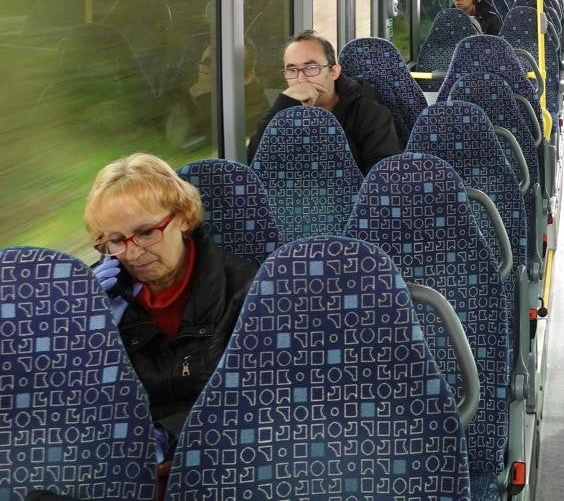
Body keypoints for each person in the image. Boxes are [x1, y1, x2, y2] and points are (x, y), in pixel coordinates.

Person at [83, 153, 260, 460]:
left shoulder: (246, 290)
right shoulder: (99, 296)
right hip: (122, 459)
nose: (133, 253)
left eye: (146, 232)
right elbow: (78, 401)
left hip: (218, 454)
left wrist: (169, 435)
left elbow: (252, 396)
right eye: (116, 240)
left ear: (183, 216)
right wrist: (86, 328)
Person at [246, 30, 401, 173]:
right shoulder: (282, 111)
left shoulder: (371, 115)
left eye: (311, 67)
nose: (301, 79)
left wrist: (319, 124)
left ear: (334, 72)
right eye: (292, 70)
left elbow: (383, 180)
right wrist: (282, 106)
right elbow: (255, 162)